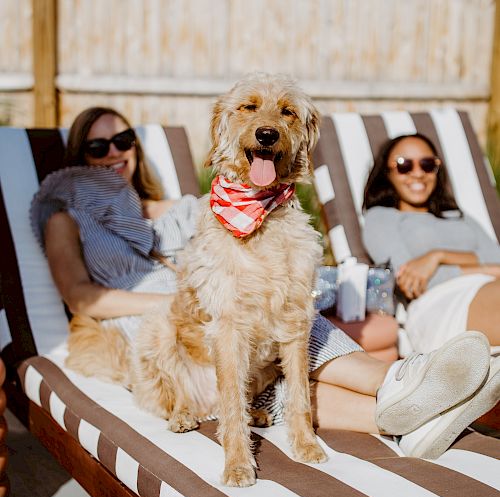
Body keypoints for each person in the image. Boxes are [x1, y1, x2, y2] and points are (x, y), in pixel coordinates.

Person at [30, 108, 499, 460]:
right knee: (238, 330)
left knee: (286, 313)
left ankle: (407, 409)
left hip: (225, 300)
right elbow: (81, 296)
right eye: (97, 147)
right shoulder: (66, 215)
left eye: (123, 140)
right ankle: (405, 392)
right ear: (79, 157)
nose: (114, 153)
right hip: (144, 320)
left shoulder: (190, 202)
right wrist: (187, 300)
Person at [362, 133, 500, 353]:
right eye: (404, 165)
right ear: (387, 172)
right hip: (441, 305)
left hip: (488, 290)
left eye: (427, 164)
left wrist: (437, 257)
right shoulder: (381, 217)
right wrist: (483, 267)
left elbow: (497, 258)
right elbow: (411, 282)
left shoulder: (459, 216)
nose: (418, 173)